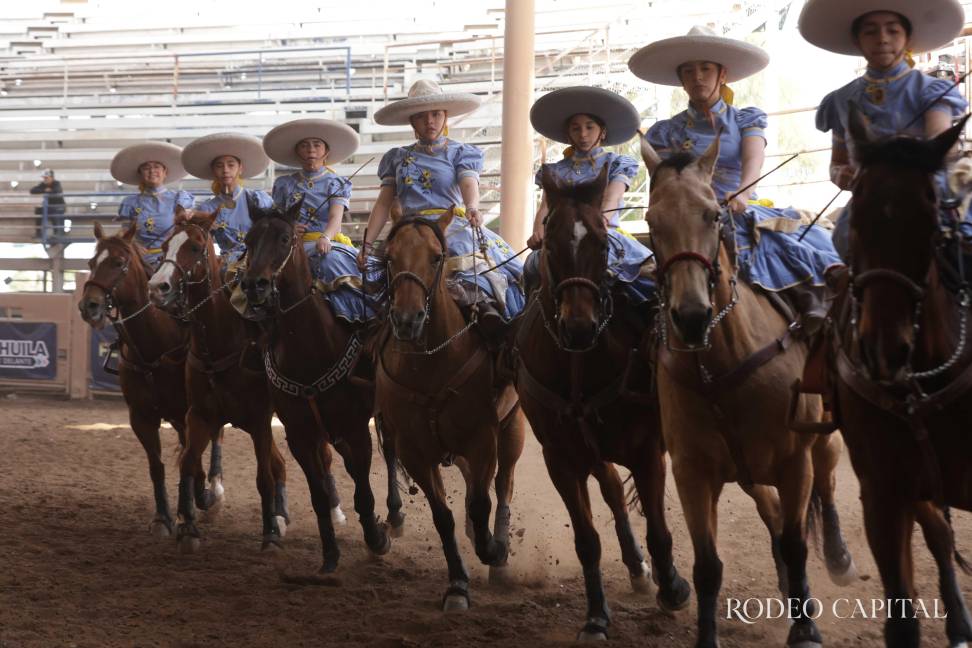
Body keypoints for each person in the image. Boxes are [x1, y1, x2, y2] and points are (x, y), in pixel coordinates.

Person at [630, 26, 842, 331]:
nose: (697, 77)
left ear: (722, 75)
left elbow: (753, 160)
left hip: (739, 210)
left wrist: (743, 193)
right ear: (681, 80)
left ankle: (811, 316)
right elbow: (663, 180)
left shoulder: (746, 119)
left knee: (799, 251)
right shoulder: (665, 131)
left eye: (705, 69)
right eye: (689, 71)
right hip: (688, 220)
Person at [798, 0, 968, 256]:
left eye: (893, 30)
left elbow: (941, 143)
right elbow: (837, 164)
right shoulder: (840, 100)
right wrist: (841, 175)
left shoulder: (930, 90)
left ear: (907, 38)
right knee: (842, 245)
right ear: (857, 41)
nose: (882, 38)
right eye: (870, 31)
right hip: (872, 199)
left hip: (928, 194)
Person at [357, 79, 525, 328]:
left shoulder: (460, 152)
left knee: (475, 265)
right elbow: (383, 204)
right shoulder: (397, 158)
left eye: (436, 114)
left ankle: (483, 311)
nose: (430, 121)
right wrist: (367, 244)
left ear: (445, 117)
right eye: (422, 116)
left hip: (450, 226)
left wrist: (472, 208)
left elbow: (469, 183)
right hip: (409, 230)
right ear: (412, 121)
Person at [526, 85, 655, 308]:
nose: (583, 134)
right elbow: (545, 207)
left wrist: (600, 222)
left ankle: (649, 328)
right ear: (569, 133)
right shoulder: (554, 170)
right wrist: (538, 231)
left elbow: (612, 198)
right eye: (576, 128)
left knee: (649, 276)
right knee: (530, 268)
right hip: (562, 239)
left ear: (602, 131)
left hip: (604, 234)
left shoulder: (617, 163)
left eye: (589, 127)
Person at [263, 118, 370, 323]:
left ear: (326, 151)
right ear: (297, 152)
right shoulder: (284, 183)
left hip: (324, 243)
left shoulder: (336, 183)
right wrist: (290, 227)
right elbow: (276, 219)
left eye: (316, 144)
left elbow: (335, 218)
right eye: (304, 145)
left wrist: (326, 237)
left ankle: (350, 317)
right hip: (290, 245)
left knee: (331, 261)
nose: (310, 149)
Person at [182, 132, 272, 266]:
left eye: (231, 165)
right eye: (219, 166)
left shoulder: (256, 198)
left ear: (240, 169)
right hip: (226, 265)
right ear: (213, 171)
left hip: (258, 262)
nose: (225, 170)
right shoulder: (207, 208)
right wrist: (191, 215)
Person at [110, 142, 193, 267]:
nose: (152, 171)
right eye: (146, 168)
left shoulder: (178, 198)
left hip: (172, 259)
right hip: (139, 259)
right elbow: (124, 232)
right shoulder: (130, 202)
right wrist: (133, 246)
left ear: (165, 172)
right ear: (140, 174)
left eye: (156, 167)